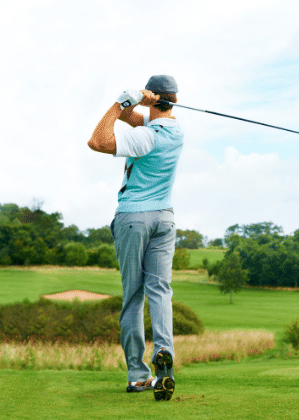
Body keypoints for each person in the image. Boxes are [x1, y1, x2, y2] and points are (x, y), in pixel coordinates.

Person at [87, 75, 183, 401]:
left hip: (133, 219)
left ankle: (139, 376)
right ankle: (164, 354)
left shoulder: (146, 139)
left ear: (155, 98)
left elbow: (97, 141)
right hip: (165, 219)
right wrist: (139, 104)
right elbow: (139, 120)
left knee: (133, 297)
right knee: (160, 291)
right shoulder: (176, 131)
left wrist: (119, 103)